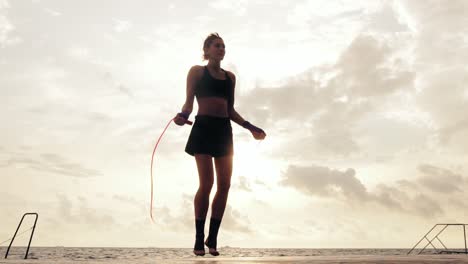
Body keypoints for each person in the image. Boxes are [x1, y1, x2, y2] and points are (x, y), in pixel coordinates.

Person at [173, 32, 266, 256]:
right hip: (203, 128)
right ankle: (198, 236)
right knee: (207, 183)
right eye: (217, 46)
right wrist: (181, 116)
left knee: (225, 185)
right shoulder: (197, 71)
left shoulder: (230, 78)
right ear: (207, 50)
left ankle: (212, 236)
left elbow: (230, 110)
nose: (222, 49)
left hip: (224, 130)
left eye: (224, 46)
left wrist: (251, 127)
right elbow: (188, 104)